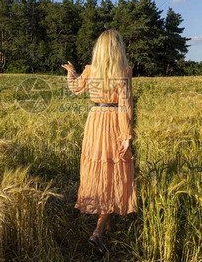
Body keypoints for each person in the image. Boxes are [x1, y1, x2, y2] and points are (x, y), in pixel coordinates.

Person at [61, 29, 137, 255]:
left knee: (99, 170)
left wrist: (72, 73)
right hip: (114, 122)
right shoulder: (124, 71)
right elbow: (125, 106)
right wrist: (127, 136)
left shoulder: (90, 70)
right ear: (118, 48)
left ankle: (107, 223)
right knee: (114, 174)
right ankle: (98, 233)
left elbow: (75, 89)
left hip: (95, 121)